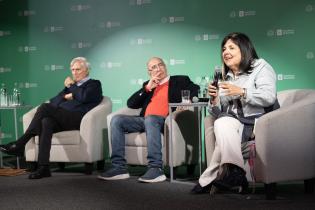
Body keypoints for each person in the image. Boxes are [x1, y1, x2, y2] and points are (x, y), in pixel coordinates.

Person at [191, 32, 278, 194]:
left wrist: (242, 92)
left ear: (244, 50)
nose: (225, 52)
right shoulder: (227, 77)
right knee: (221, 122)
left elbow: (269, 97)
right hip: (235, 123)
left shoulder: (261, 67)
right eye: (224, 48)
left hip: (258, 124)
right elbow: (219, 112)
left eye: (231, 47)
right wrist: (214, 98)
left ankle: (207, 180)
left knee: (222, 139)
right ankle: (236, 172)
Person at [98, 57, 199, 183]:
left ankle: (156, 168)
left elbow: (196, 89)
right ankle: (119, 168)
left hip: (165, 121)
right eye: (153, 68)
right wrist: (147, 88)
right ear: (149, 73)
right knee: (117, 120)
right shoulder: (148, 85)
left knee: (151, 119)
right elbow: (131, 104)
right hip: (144, 121)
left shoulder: (180, 80)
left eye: (160, 65)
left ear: (165, 66)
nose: (158, 69)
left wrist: (189, 100)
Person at [0, 57, 103, 179]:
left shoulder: (94, 84)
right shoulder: (71, 87)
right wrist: (67, 96)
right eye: (73, 70)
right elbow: (55, 100)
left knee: (44, 107)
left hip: (77, 118)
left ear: (87, 70)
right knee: (46, 121)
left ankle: (20, 143)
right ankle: (44, 167)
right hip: (62, 118)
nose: (74, 72)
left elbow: (84, 97)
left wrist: (72, 88)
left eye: (78, 69)